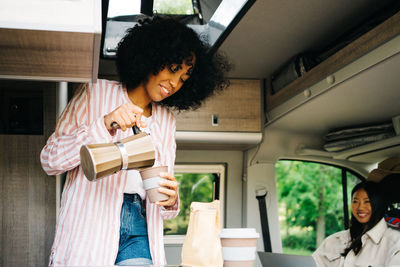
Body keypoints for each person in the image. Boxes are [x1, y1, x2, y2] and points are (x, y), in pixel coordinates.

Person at [40, 16, 229, 266]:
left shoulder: (166, 122)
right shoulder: (95, 93)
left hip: (139, 224)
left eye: (183, 79)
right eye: (173, 69)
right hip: (90, 220)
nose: (174, 84)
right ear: (153, 57)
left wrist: (171, 200)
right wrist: (105, 124)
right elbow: (50, 160)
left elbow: (164, 201)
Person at [312, 158, 400, 267]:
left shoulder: (393, 242)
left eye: (367, 201)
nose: (360, 207)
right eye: (355, 201)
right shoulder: (334, 240)